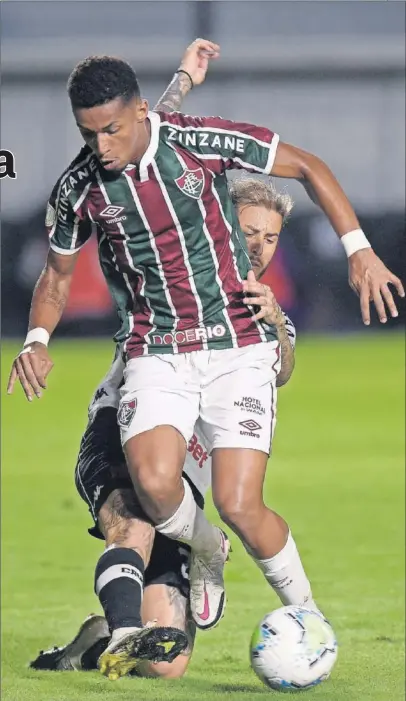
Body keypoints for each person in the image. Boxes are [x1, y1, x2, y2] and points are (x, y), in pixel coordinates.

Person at [8, 38, 404, 679]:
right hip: (155, 350)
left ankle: (309, 622)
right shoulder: (79, 186)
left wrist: (358, 249)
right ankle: (203, 549)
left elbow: (305, 165)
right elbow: (55, 278)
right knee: (155, 485)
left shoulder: (202, 140)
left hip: (235, 346)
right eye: (88, 133)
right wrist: (36, 342)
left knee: (242, 503)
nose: (100, 146)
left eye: (111, 129)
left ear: (138, 112)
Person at [30, 176, 299, 680]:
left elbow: (281, 371)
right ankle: (127, 626)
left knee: (166, 668)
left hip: (185, 483)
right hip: (122, 432)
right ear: (215, 225)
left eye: (271, 237)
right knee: (131, 528)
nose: (259, 248)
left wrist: (278, 325)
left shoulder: (263, 306)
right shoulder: (172, 274)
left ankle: (96, 643)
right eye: (248, 232)